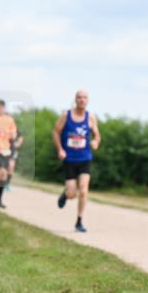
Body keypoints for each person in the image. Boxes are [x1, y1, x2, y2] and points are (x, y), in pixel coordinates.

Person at [52, 89, 100, 232]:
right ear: (75, 99)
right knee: (72, 194)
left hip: (85, 158)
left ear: (88, 100)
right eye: (79, 97)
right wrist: (60, 149)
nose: (82, 100)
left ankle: (79, 221)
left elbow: (97, 135)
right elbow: (55, 132)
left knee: (84, 190)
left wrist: (96, 142)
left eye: (84, 97)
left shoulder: (90, 117)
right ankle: (66, 194)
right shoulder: (66, 115)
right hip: (70, 159)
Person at [6, 127, 24, 191]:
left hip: (12, 149)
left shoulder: (15, 128)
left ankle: (7, 183)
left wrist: (18, 144)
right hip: (3, 148)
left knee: (11, 166)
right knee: (3, 166)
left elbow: (21, 137)